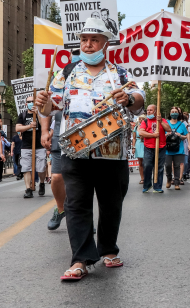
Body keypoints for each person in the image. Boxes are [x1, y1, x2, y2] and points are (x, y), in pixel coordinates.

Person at [36, 17, 145, 281]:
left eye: (94, 40)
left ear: (105, 43)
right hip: (75, 151)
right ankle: (81, 259)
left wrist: (129, 98)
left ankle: (108, 249)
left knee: (111, 203)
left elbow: (139, 100)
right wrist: (43, 103)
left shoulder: (119, 73)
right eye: (84, 39)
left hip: (111, 151)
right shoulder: (67, 71)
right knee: (76, 204)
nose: (87, 44)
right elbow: (52, 105)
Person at [16, 97, 47, 198]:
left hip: (39, 146)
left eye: (33, 101)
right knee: (26, 168)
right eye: (29, 102)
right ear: (26, 104)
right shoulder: (23, 115)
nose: (31, 103)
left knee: (41, 167)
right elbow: (18, 128)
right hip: (26, 146)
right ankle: (28, 189)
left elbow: (44, 126)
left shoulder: (41, 114)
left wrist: (38, 114)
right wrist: (29, 126)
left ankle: (42, 183)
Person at [41, 111, 67, 230]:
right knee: (56, 177)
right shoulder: (56, 92)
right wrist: (45, 132)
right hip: (59, 135)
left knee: (82, 179)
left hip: (84, 132)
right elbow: (46, 109)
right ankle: (61, 209)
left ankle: (85, 218)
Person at [139, 105, 172, 193]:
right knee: (147, 165)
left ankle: (157, 186)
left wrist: (160, 121)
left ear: (156, 112)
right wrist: (152, 135)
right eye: (148, 110)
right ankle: (147, 185)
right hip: (148, 147)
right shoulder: (145, 121)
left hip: (161, 147)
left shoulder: (162, 120)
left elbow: (169, 129)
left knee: (159, 167)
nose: (148, 112)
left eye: (151, 110)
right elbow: (141, 132)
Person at [165, 106, 189, 190]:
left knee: (177, 166)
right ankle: (168, 179)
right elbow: (161, 135)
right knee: (168, 165)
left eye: (176, 111)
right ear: (170, 113)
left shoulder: (181, 124)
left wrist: (180, 135)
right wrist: (166, 135)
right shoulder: (166, 123)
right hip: (168, 149)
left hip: (179, 149)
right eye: (172, 112)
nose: (174, 113)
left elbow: (186, 136)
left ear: (178, 113)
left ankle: (176, 183)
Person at [132, 114, 147, 184]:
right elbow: (134, 138)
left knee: (146, 162)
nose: (141, 120)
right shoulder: (136, 127)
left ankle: (148, 177)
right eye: (140, 119)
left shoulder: (147, 126)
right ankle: (142, 178)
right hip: (138, 144)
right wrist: (133, 147)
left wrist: (144, 136)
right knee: (140, 162)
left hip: (145, 144)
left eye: (143, 119)